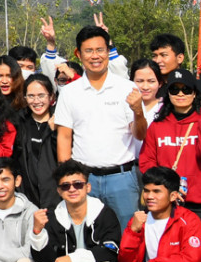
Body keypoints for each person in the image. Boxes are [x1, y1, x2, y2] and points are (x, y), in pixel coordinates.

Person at [51, 25, 149, 218]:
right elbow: (63, 137)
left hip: (122, 179)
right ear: (78, 54)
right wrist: (68, 178)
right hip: (84, 180)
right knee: (85, 241)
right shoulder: (70, 92)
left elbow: (140, 134)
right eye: (89, 51)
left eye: (100, 50)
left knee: (127, 239)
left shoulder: (127, 88)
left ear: (107, 51)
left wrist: (138, 111)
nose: (95, 56)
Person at [137, 71, 201, 250]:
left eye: (186, 89)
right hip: (167, 205)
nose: (181, 94)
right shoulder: (157, 126)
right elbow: (147, 162)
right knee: (166, 259)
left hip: (200, 204)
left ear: (195, 93)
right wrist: (165, 189)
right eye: (175, 90)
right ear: (168, 94)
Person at [11, 74, 60, 217]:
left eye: (41, 95)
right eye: (31, 96)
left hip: (56, 198)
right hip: (26, 199)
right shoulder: (19, 123)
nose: (36, 101)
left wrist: (55, 132)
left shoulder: (61, 122)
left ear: (51, 97)